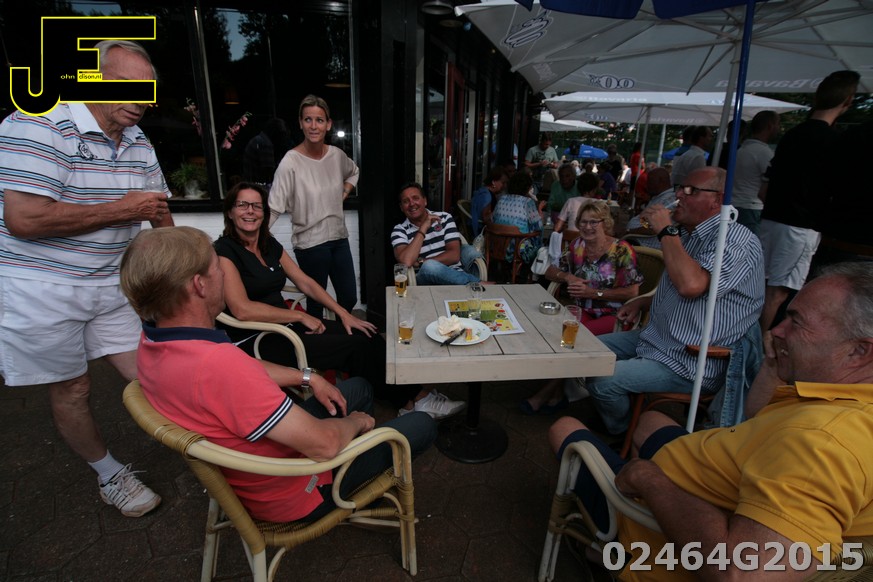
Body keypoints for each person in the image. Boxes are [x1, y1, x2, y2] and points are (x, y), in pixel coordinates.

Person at [548, 262, 873, 579]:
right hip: (722, 472)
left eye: (796, 322)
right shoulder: (844, 401)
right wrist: (775, 365)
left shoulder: (823, 443)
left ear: (860, 351)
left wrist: (650, 481)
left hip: (664, 527)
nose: (776, 330)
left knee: (564, 427)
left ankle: (615, 545)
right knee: (651, 420)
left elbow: (742, 573)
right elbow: (757, 417)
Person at [120, 226, 438, 524]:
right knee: (422, 424)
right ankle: (350, 483)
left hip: (255, 469)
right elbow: (325, 445)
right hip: (297, 491)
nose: (224, 275)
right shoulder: (219, 366)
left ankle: (357, 466)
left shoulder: (153, 343)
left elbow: (243, 369)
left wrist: (308, 378)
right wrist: (357, 423)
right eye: (217, 268)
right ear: (199, 285)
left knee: (359, 387)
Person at [0, 40, 172, 517]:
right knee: (73, 387)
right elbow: (25, 219)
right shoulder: (38, 122)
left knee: (153, 370)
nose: (140, 99)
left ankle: (206, 444)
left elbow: (158, 212)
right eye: (126, 85)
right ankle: (109, 474)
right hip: (42, 288)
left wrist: (181, 269)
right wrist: (122, 209)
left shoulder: (138, 140)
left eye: (147, 89)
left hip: (110, 283)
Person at [217, 183, 463, 420]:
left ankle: (407, 397)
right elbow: (242, 309)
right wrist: (300, 315)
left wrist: (344, 314)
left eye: (257, 206)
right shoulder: (224, 251)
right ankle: (411, 401)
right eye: (242, 205)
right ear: (230, 212)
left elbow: (306, 282)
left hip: (287, 325)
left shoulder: (268, 244)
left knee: (366, 332)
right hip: (260, 338)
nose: (250, 211)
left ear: (264, 212)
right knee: (356, 347)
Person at [584, 167, 764, 435]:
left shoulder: (735, 240)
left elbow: (691, 286)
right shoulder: (688, 235)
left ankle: (624, 432)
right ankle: (624, 413)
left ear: (718, 200)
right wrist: (643, 303)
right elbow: (682, 287)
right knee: (585, 353)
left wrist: (666, 231)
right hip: (658, 340)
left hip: (690, 361)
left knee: (603, 380)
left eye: (690, 190)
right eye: (680, 187)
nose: (679, 194)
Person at [759, 70, 860, 332]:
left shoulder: (792, 135)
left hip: (772, 219)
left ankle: (750, 342)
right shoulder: (833, 141)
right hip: (799, 226)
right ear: (848, 100)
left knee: (762, 287)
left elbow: (765, 187)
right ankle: (757, 348)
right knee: (777, 293)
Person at [522, 201, 642, 415]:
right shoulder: (577, 245)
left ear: (605, 223)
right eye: (583, 222)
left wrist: (594, 293)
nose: (587, 227)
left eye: (593, 222)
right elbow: (550, 271)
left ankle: (543, 395)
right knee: (560, 336)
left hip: (615, 315)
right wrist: (567, 276)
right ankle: (558, 395)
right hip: (582, 310)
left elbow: (632, 292)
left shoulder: (622, 250)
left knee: (574, 340)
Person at [269, 95, 358, 318]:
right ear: (300, 123)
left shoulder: (336, 156)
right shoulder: (290, 162)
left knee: (348, 298)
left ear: (328, 124)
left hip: (339, 238)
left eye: (319, 120)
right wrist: (247, 239)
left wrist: (344, 192)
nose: (313, 126)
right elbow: (274, 207)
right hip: (310, 245)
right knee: (316, 304)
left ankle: (340, 333)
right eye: (308, 119)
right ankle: (320, 338)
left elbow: (354, 172)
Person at [392, 183, 484, 287]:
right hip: (425, 281)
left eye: (415, 198)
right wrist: (423, 228)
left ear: (425, 201)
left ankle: (472, 283)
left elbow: (454, 255)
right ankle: (477, 283)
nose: (412, 204)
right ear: (401, 207)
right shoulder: (399, 230)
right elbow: (407, 261)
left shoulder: (444, 218)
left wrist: (422, 261)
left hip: (456, 277)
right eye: (406, 201)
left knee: (430, 264)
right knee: (429, 267)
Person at [810, 120, 873, 270]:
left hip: (838, 241)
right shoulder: (854, 136)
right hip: (848, 245)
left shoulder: (852, 136)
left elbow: (821, 185)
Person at [732, 111, 779, 236]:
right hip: (751, 207)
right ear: (770, 126)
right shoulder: (763, 152)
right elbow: (772, 183)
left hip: (737, 203)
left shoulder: (741, 150)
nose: (778, 128)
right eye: (778, 124)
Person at [492, 171, 544, 265]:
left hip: (497, 247)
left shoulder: (501, 199)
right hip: (518, 249)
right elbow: (538, 227)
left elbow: (493, 220)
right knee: (540, 243)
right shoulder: (528, 202)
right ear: (527, 188)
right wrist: (540, 213)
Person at [624, 167, 675, 249]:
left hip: (643, 245)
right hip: (636, 240)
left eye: (650, 182)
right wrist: (641, 217)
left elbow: (653, 227)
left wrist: (629, 231)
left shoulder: (669, 200)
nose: (646, 185)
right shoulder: (660, 196)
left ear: (661, 182)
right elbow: (647, 221)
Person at [242, 117, 290, 187]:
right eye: (281, 136)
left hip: (251, 184)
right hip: (258, 187)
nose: (282, 141)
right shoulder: (265, 144)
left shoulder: (258, 139)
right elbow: (269, 174)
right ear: (275, 133)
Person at [470, 167, 508, 238]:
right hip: (483, 233)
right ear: (493, 182)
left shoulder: (484, 192)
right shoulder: (487, 196)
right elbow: (485, 218)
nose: (505, 186)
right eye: (503, 183)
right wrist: (500, 211)